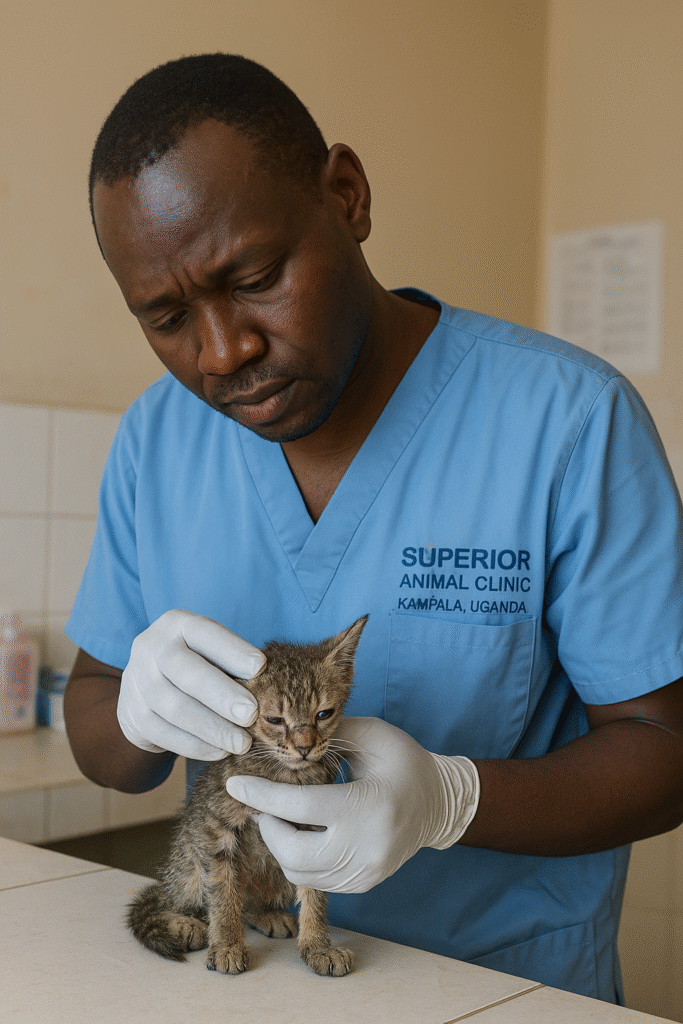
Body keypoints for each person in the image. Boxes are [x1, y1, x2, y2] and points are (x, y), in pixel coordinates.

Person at [64, 53, 683, 1002]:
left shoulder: (567, 421)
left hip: (504, 989)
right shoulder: (158, 437)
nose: (224, 350)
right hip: (252, 980)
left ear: (346, 196)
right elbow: (98, 729)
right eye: (166, 316)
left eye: (257, 276)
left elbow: (662, 749)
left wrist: (449, 799)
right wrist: (138, 715)